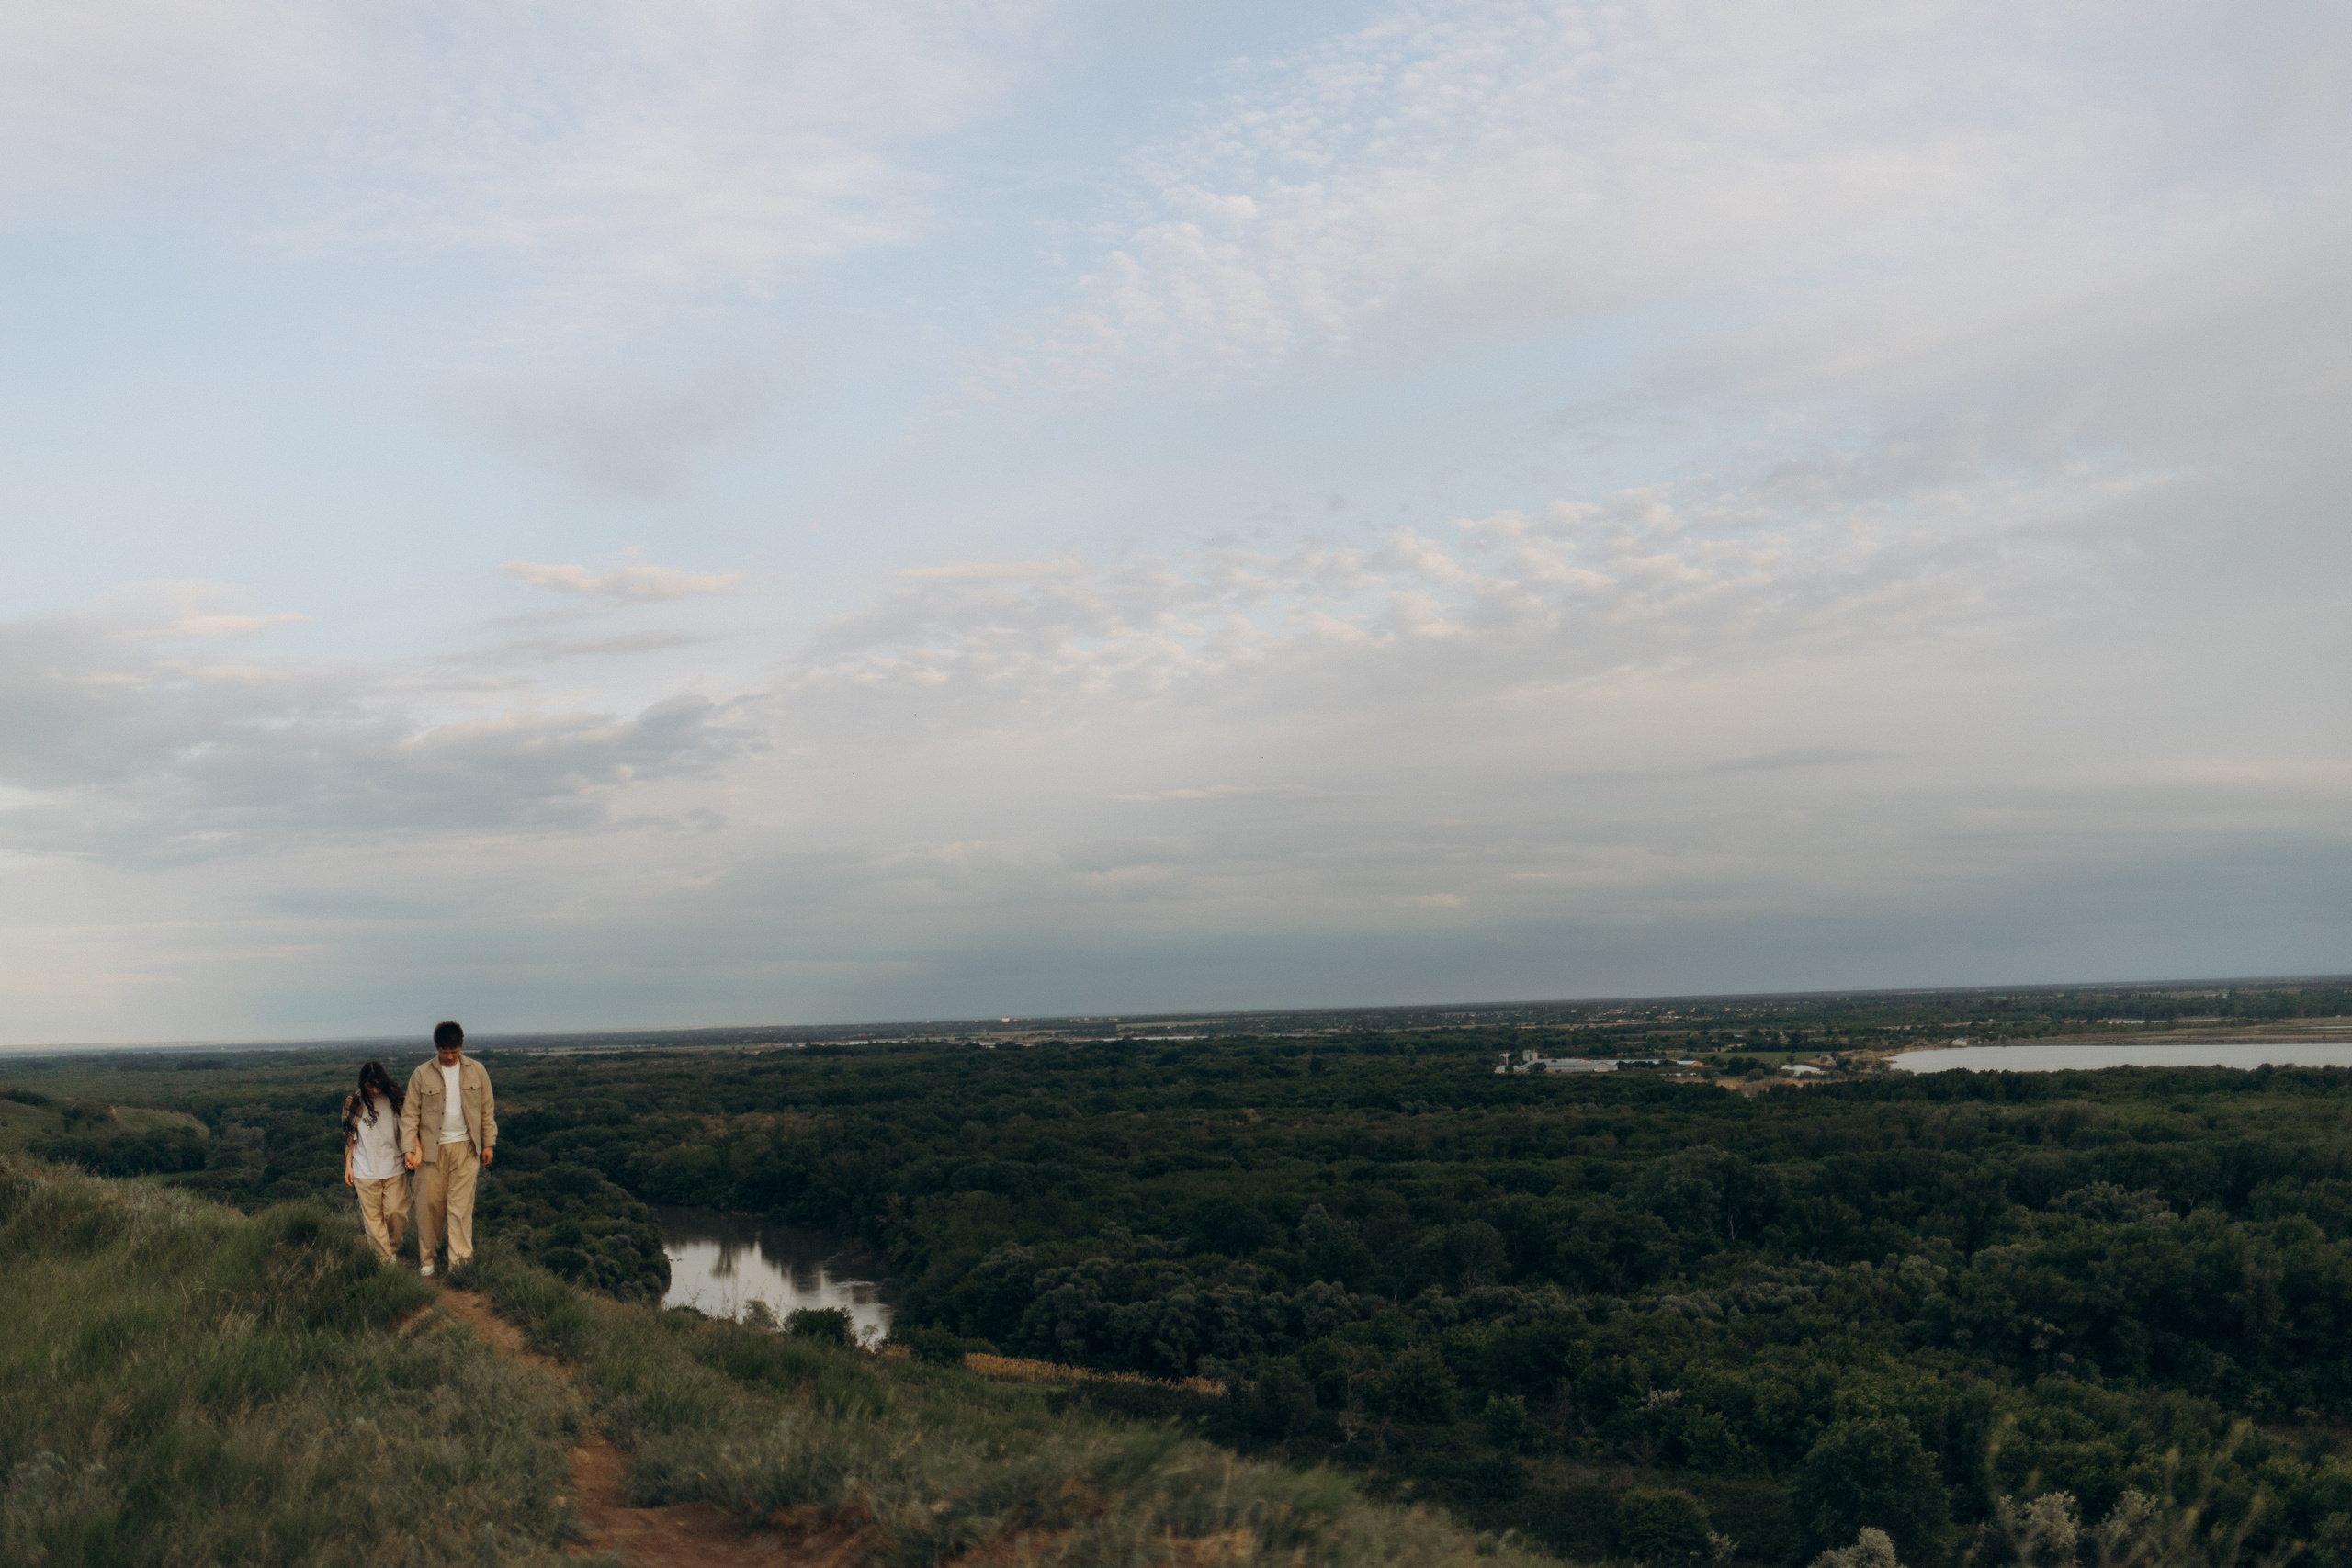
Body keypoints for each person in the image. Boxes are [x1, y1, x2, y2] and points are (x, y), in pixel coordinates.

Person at [400, 1020, 496, 1279]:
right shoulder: (421, 1074)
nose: (450, 1057)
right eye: (445, 1052)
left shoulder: (477, 1071)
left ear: (461, 1046)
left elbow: (487, 1109)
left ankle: (460, 1265)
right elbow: (409, 1116)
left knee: (460, 1208)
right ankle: (428, 1259)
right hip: (431, 1151)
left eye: (454, 1051)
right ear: (436, 1047)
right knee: (429, 1207)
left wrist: (489, 1143)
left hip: (466, 1148)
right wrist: (410, 1149)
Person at [341, 1060, 411, 1264]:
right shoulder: (353, 1103)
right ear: (362, 1083)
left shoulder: (396, 1099)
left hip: (394, 1166)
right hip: (364, 1169)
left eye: (378, 1086)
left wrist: (412, 1153)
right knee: (373, 1221)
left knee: (396, 1213)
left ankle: (392, 1248)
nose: (374, 1090)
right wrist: (348, 1166)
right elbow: (350, 1139)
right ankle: (384, 1263)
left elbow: (409, 1130)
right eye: (370, 1086)